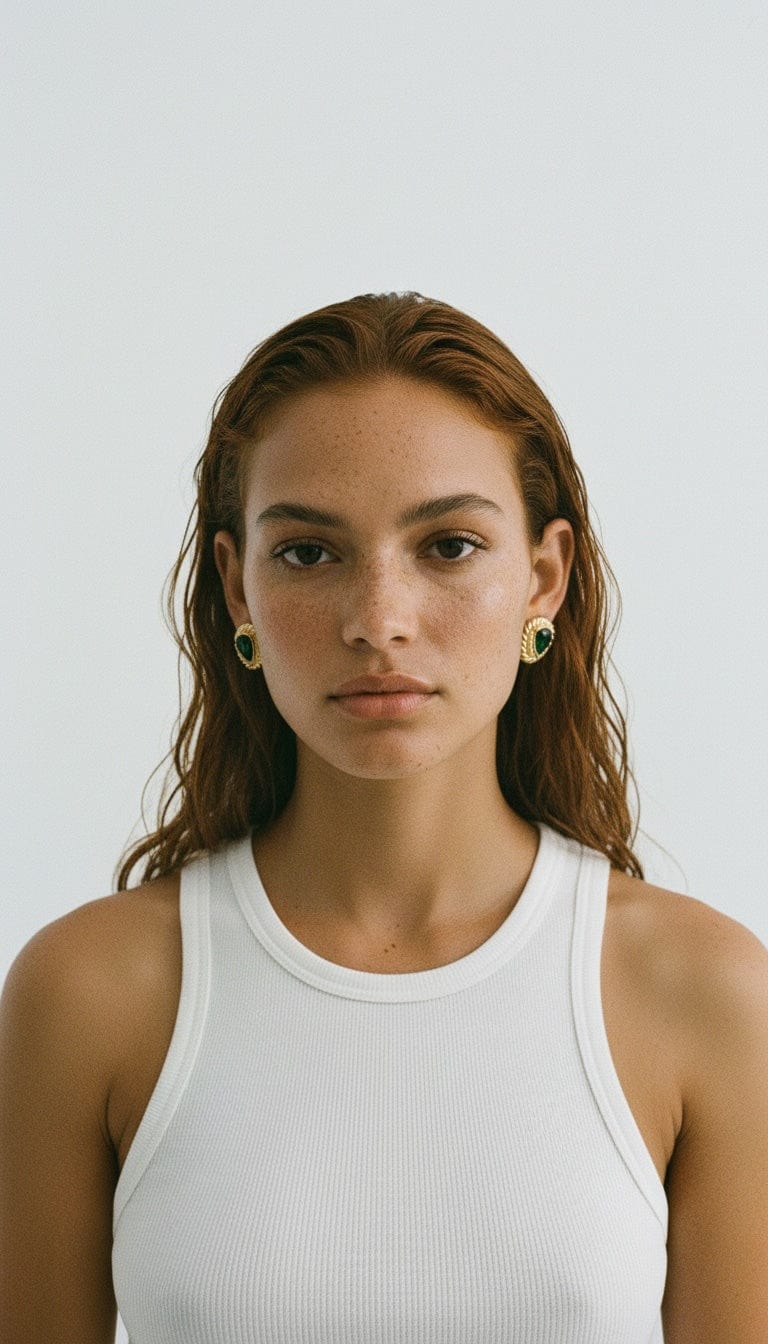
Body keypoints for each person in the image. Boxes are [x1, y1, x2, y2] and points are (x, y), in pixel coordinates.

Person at [1, 292, 767, 1344]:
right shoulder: (89, 994)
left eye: (448, 546)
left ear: (543, 578)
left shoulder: (706, 996)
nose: (378, 622)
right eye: (310, 554)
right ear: (237, 589)